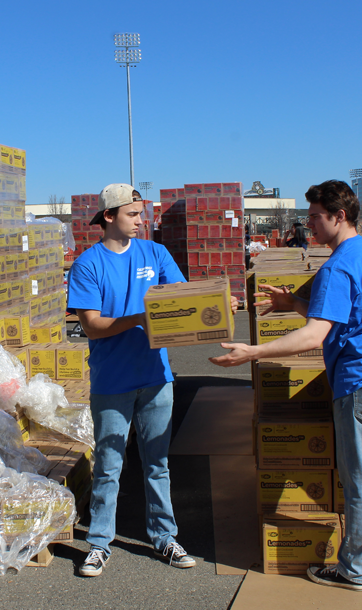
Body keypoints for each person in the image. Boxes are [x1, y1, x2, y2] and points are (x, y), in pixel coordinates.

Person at [210, 180, 362, 592]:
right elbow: (347, 315)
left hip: (360, 386)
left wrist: (252, 353)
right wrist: (293, 303)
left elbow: (315, 336)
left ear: (339, 216)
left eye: (316, 216)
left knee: (359, 481)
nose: (309, 223)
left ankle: (354, 569)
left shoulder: (336, 266)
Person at [68, 183, 237, 577]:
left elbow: (181, 295)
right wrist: (139, 319)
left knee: (157, 462)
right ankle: (98, 543)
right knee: (110, 464)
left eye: (142, 214)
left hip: (157, 376)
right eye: (134, 214)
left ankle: (164, 537)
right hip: (112, 381)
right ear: (109, 217)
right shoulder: (88, 264)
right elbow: (92, 326)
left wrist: (216, 301)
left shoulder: (155, 252)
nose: (142, 221)